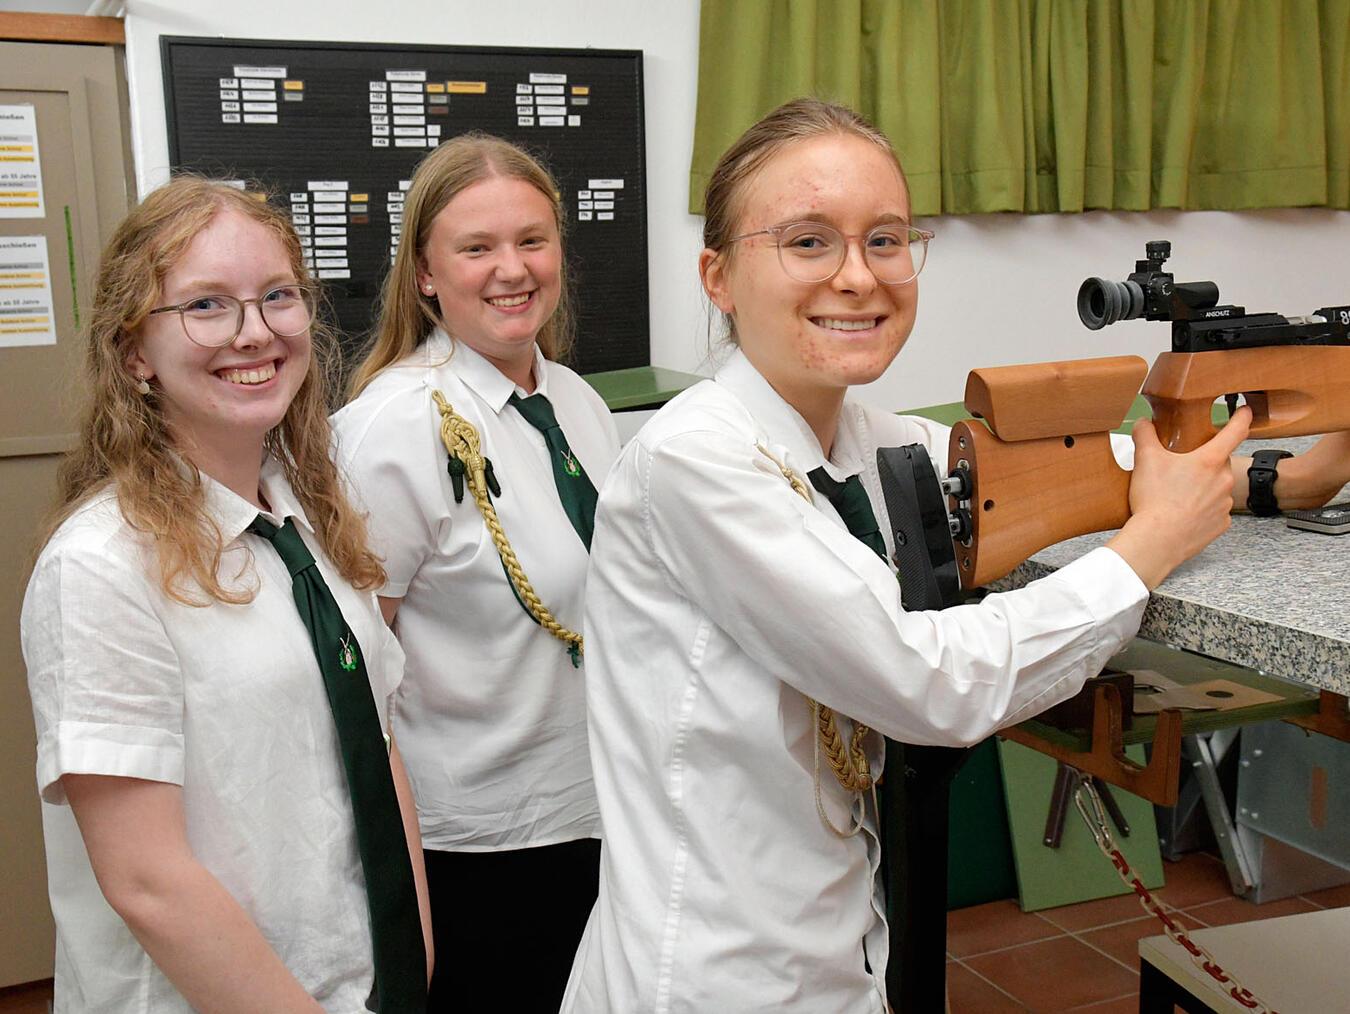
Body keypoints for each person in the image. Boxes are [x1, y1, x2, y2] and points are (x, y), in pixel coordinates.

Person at [562, 98, 1350, 1013]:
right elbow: (924, 682)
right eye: (808, 242)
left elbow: (1107, 469)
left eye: (887, 240)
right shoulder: (695, 461)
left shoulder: (858, 436)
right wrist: (1143, 554)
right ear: (719, 275)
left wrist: (1278, 468)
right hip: (714, 977)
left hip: (828, 945)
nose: (859, 276)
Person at [21, 177, 431, 1013]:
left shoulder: (304, 518)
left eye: (277, 296)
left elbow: (379, 746)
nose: (255, 332)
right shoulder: (101, 566)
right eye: (207, 305)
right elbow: (147, 881)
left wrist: (412, 964)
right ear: (134, 351)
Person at [333, 134, 621, 1010]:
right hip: (481, 846)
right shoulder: (394, 427)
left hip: (598, 810)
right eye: (477, 248)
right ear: (425, 273)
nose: (513, 269)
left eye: (532, 240)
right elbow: (355, 669)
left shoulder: (575, 399)